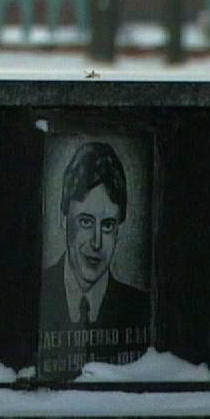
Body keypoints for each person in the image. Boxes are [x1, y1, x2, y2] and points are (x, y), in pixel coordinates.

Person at [39, 142, 150, 375]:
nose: (97, 242)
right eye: (86, 222)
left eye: (108, 225)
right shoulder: (35, 295)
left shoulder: (142, 309)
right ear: (63, 218)